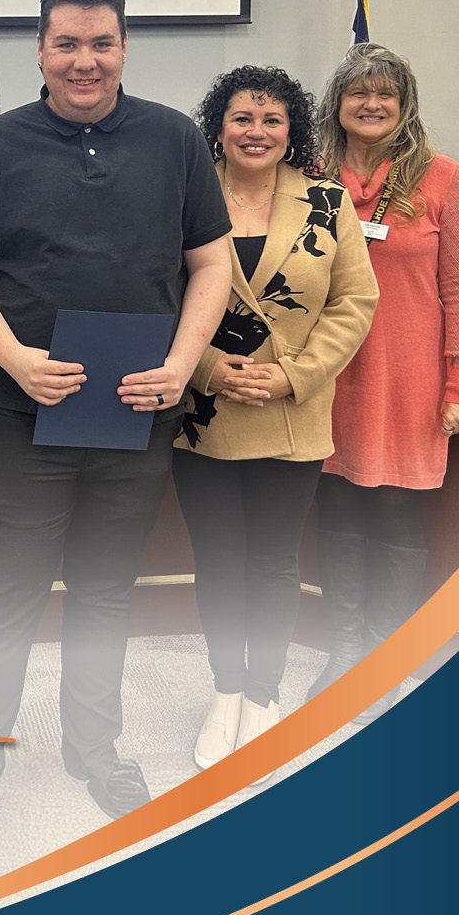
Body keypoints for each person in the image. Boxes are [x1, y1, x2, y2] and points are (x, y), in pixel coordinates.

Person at [0, 0, 233, 847]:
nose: (85, 60)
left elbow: (211, 262)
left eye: (102, 43)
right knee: (8, 591)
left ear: (125, 45)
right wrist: (18, 360)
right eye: (67, 43)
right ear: (40, 49)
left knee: (105, 591)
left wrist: (182, 365)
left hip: (135, 411)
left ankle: (96, 750)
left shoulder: (174, 140)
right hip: (22, 412)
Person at [172, 66, 377, 772]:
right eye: (241, 119)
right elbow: (160, 293)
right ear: (218, 128)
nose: (256, 133)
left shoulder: (327, 201)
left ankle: (263, 693)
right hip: (205, 413)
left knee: (271, 562)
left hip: (291, 410)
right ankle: (226, 688)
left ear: (291, 131)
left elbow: (356, 302)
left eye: (271, 121)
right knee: (220, 564)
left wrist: (294, 373)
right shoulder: (187, 197)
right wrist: (202, 368)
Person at [306, 43, 459, 719]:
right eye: (359, 93)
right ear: (338, 105)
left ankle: (388, 650)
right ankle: (345, 648)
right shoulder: (312, 176)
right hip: (327, 372)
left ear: (404, 105)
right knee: (339, 500)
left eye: (386, 93)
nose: (372, 104)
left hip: (409, 373)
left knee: (396, 504)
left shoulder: (443, 179)